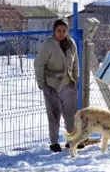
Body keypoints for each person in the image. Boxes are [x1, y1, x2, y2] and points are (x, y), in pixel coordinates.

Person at [34, 19, 85, 152]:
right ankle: (54, 142)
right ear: (54, 31)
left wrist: (76, 79)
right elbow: (39, 64)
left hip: (68, 85)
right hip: (52, 86)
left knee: (71, 115)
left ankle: (71, 140)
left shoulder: (71, 43)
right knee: (54, 115)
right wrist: (42, 84)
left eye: (64, 31)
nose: (61, 34)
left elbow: (75, 62)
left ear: (67, 31)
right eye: (58, 31)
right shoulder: (47, 45)